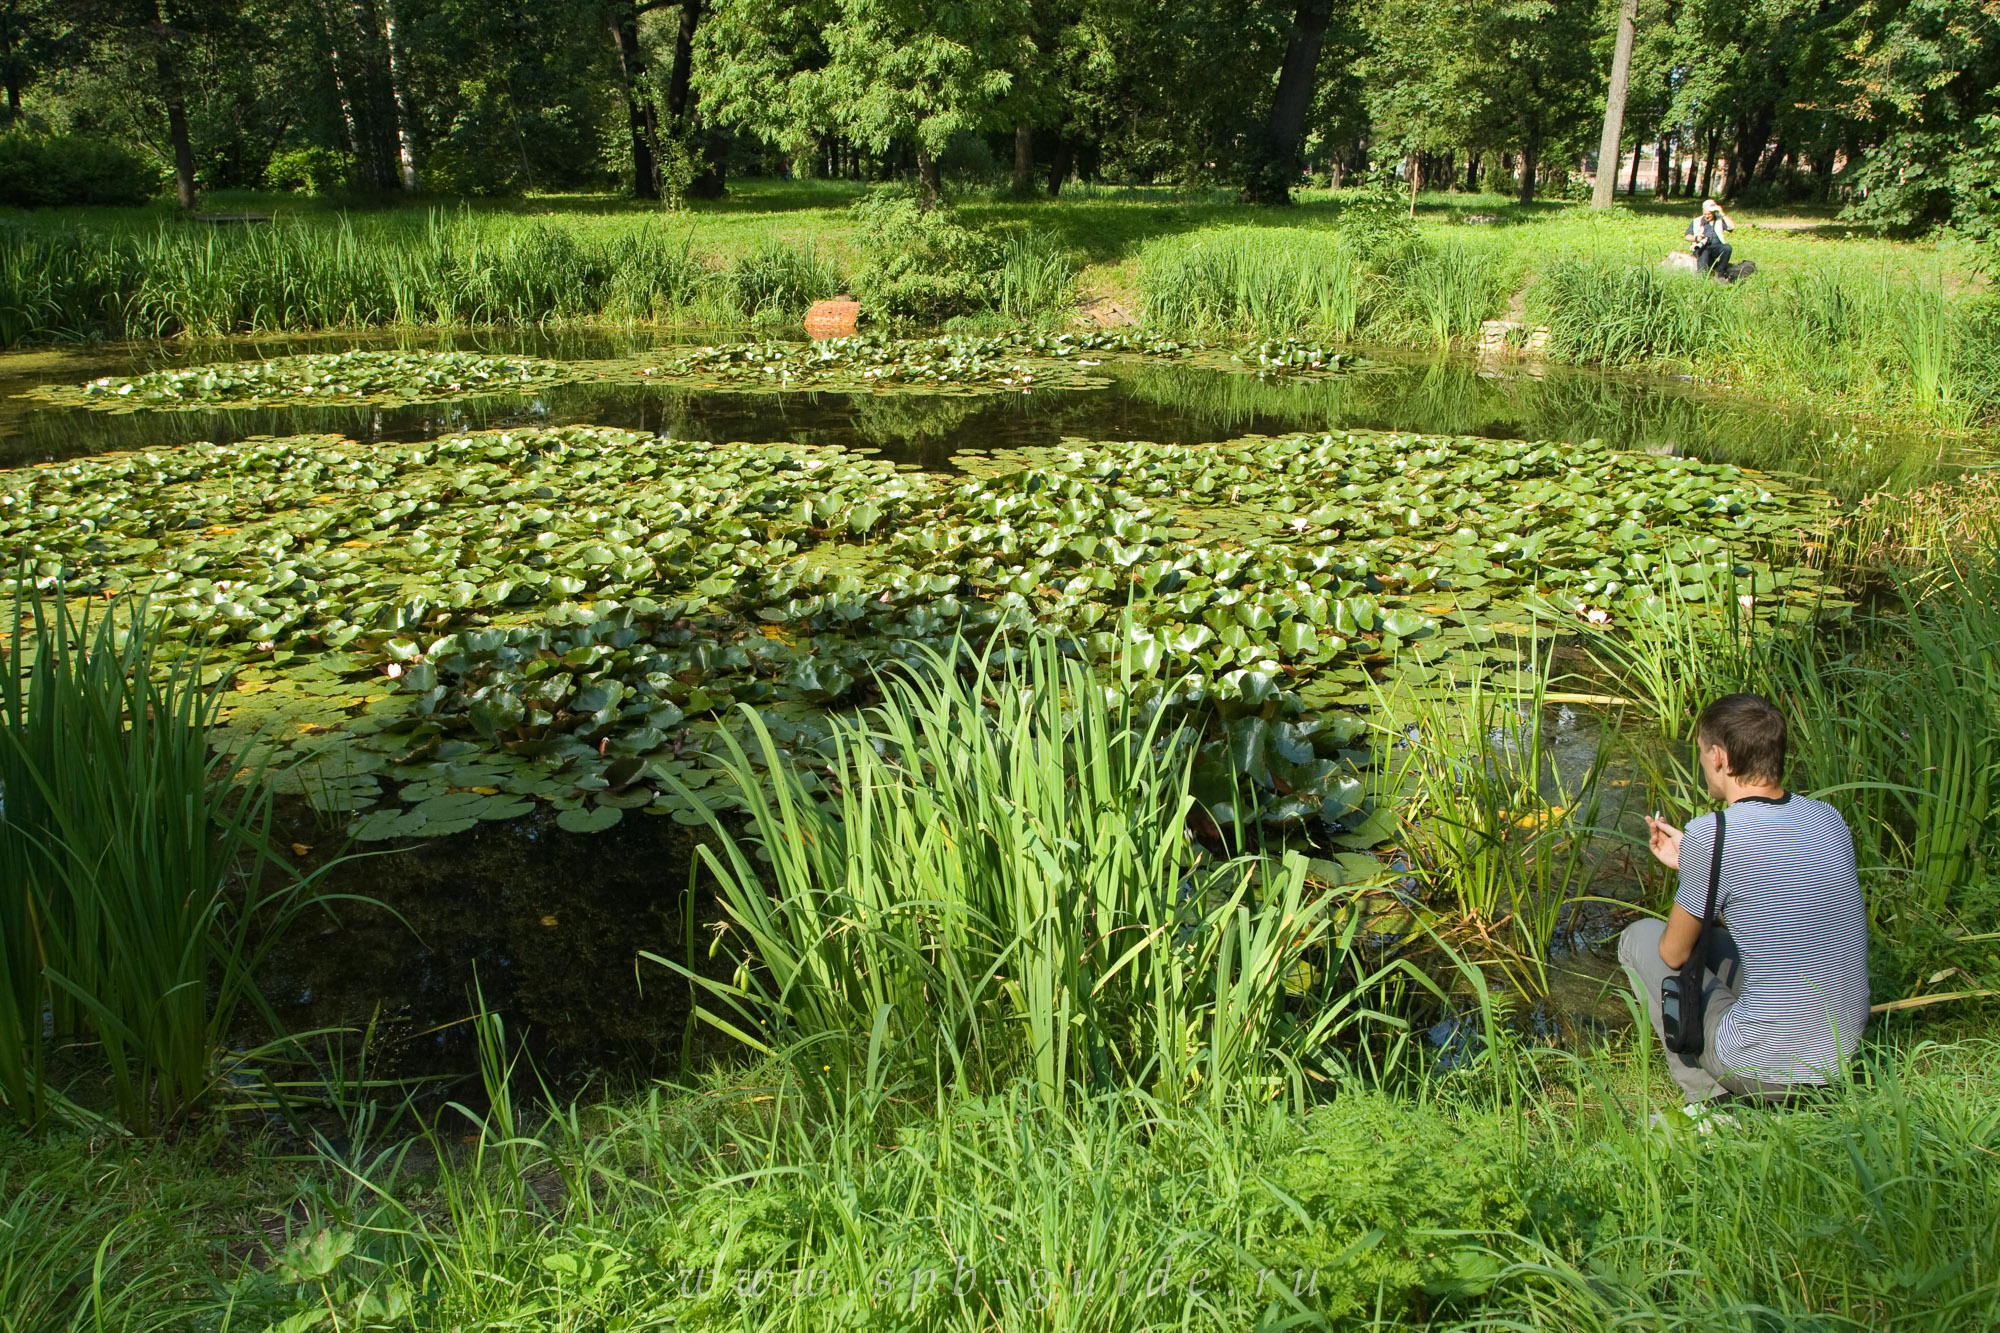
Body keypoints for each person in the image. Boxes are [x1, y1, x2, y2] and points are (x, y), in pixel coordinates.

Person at [1619, 693, 1870, 1105]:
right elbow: (1778, 897)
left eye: (1700, 752)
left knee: (1640, 937)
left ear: (1718, 756)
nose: (1702, 762)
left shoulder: (1713, 833)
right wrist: (1698, 865)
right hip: (1840, 1058)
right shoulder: (1828, 817)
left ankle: (1708, 1103)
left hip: (1763, 1068)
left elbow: (1675, 953)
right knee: (1719, 942)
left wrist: (1703, 857)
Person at [1685, 199, 1736, 279]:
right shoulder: (1696, 221)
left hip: (1716, 246)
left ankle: (1720, 273)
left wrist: (1722, 214)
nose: (1707, 216)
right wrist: (1696, 238)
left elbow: (1732, 227)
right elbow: (1687, 236)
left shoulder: (1719, 220)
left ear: (1714, 213)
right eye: (1705, 214)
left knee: (1727, 248)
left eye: (1709, 214)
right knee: (1705, 252)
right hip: (1701, 247)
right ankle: (1701, 277)